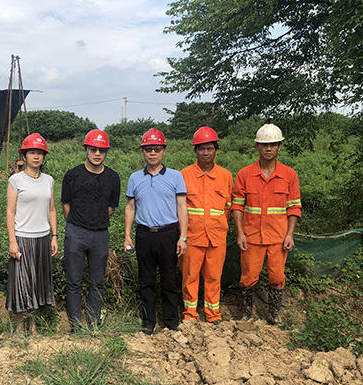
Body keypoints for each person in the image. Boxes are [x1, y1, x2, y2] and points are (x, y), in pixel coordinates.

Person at [231, 124, 301, 324]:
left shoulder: (289, 175)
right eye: (264, 145)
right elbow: (237, 206)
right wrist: (240, 233)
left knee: (277, 277)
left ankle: (274, 315)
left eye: (273, 144)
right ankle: (246, 314)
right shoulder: (244, 174)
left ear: (279, 147)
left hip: (278, 237)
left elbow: (294, 207)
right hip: (251, 237)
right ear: (257, 147)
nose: (268, 148)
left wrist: (290, 234)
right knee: (247, 278)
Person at [124, 128, 188, 334]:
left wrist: (183, 237)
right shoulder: (134, 178)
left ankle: (171, 321)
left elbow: (182, 208)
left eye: (157, 149)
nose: (152, 153)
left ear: (163, 151)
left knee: (169, 280)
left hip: (168, 234)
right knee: (146, 280)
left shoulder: (175, 176)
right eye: (148, 149)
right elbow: (130, 208)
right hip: (144, 234)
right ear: (143, 152)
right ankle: (148, 321)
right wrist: (127, 236)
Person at [61, 129, 120, 331]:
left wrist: (95, 220)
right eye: (93, 149)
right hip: (76, 232)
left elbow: (111, 208)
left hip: (100, 234)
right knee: (74, 281)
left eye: (101, 150)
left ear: (106, 152)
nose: (97, 153)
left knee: (97, 282)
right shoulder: (72, 175)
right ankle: (76, 325)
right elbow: (66, 204)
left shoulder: (113, 177)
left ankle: (93, 322)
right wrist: (76, 223)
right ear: (86, 149)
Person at [180, 127, 233, 323]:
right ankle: (190, 314)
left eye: (209, 148)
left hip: (217, 237)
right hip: (192, 237)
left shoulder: (225, 176)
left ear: (216, 150)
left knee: (214, 277)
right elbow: (179, 208)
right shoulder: (184, 175)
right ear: (195, 151)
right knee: (190, 277)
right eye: (201, 149)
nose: (205, 153)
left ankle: (213, 314)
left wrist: (218, 226)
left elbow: (228, 208)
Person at [6, 133, 58, 334]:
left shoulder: (48, 180)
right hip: (22, 237)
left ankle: (33, 326)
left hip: (42, 237)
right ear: (24, 155)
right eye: (32, 152)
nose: (36, 156)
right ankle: (19, 328)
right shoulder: (16, 180)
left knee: (37, 282)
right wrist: (13, 240)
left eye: (40, 153)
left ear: (44, 156)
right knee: (21, 282)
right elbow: (10, 212)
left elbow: (52, 210)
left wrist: (54, 236)